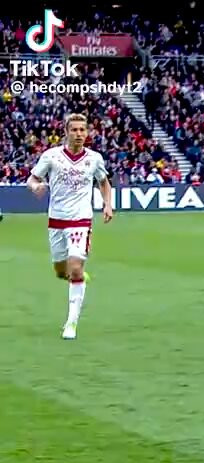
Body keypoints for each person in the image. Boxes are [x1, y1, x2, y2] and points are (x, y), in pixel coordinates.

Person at [26, 113, 114, 340]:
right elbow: (32, 179)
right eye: (74, 130)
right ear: (66, 132)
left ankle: (71, 323)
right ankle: (76, 275)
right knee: (60, 272)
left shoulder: (94, 158)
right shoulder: (51, 156)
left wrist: (107, 204)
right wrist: (36, 187)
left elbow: (104, 182)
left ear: (87, 132)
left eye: (82, 130)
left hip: (81, 220)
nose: (78, 134)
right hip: (56, 220)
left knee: (74, 268)